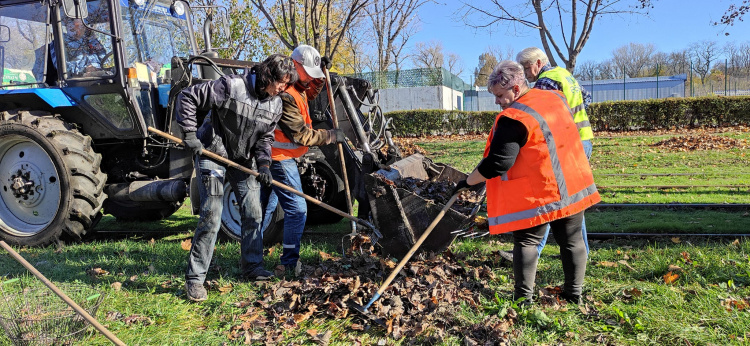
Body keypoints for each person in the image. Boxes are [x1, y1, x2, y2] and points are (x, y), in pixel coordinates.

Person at [452, 60, 600, 305]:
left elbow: (498, 163)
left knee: (527, 242)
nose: (497, 102)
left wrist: (467, 182)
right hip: (571, 181)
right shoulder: (554, 98)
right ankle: (574, 295)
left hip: (540, 192)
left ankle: (523, 300)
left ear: (516, 89)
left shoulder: (513, 118)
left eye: (500, 95)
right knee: (572, 240)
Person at [176, 54, 298, 302]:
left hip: (242, 161)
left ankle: (252, 267)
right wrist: (190, 133)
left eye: (287, 84)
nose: (284, 89)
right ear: (267, 76)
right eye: (281, 83)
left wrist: (263, 165)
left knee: (254, 211)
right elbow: (187, 96)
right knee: (211, 213)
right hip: (213, 153)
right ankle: (195, 279)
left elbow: (265, 139)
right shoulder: (231, 86)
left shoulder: (275, 104)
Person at [260, 45, 346, 278]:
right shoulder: (285, 94)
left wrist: (322, 72)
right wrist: (329, 136)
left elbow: (311, 93)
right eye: (307, 71)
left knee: (266, 207)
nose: (310, 76)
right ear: (294, 65)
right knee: (297, 210)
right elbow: (301, 135)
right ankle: (289, 262)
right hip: (279, 158)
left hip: (283, 156)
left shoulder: (298, 86)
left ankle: (253, 254)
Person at [516, 47, 595, 257]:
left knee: (554, 196)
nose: (525, 73)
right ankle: (580, 251)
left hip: (568, 145)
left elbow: (538, 116)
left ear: (539, 63)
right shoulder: (564, 74)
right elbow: (587, 99)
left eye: (527, 67)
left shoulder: (545, 82)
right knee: (572, 199)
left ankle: (535, 250)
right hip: (583, 139)